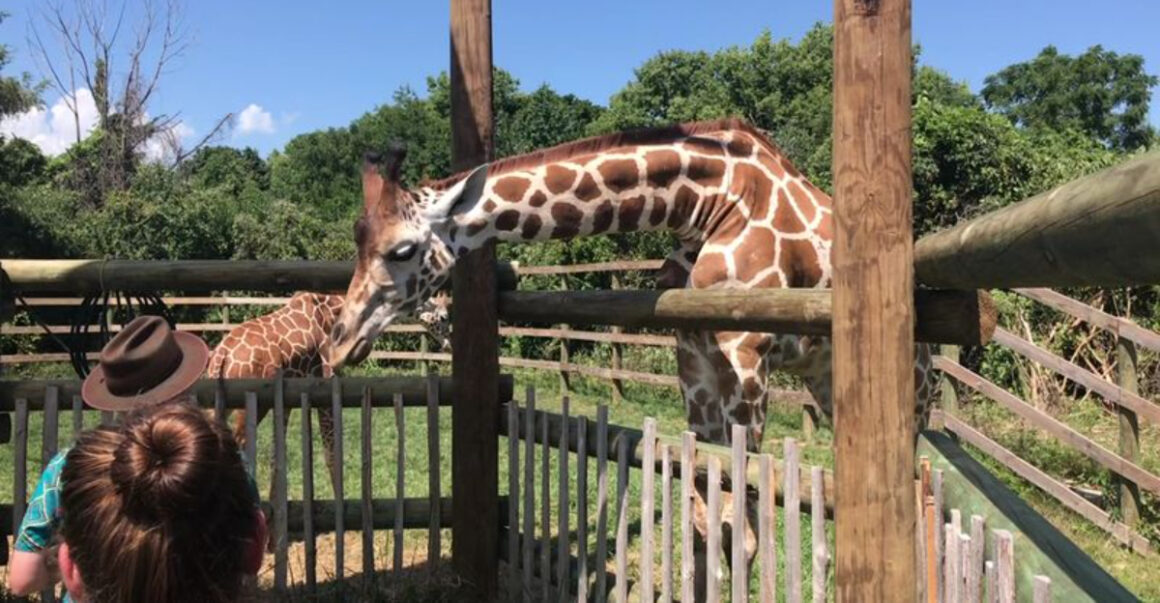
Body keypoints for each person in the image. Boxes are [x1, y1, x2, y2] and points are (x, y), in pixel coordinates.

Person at [6, 315, 266, 602]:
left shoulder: (71, 466)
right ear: (185, 379)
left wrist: (96, 557)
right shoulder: (224, 460)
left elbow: (22, 578)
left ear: (73, 568)